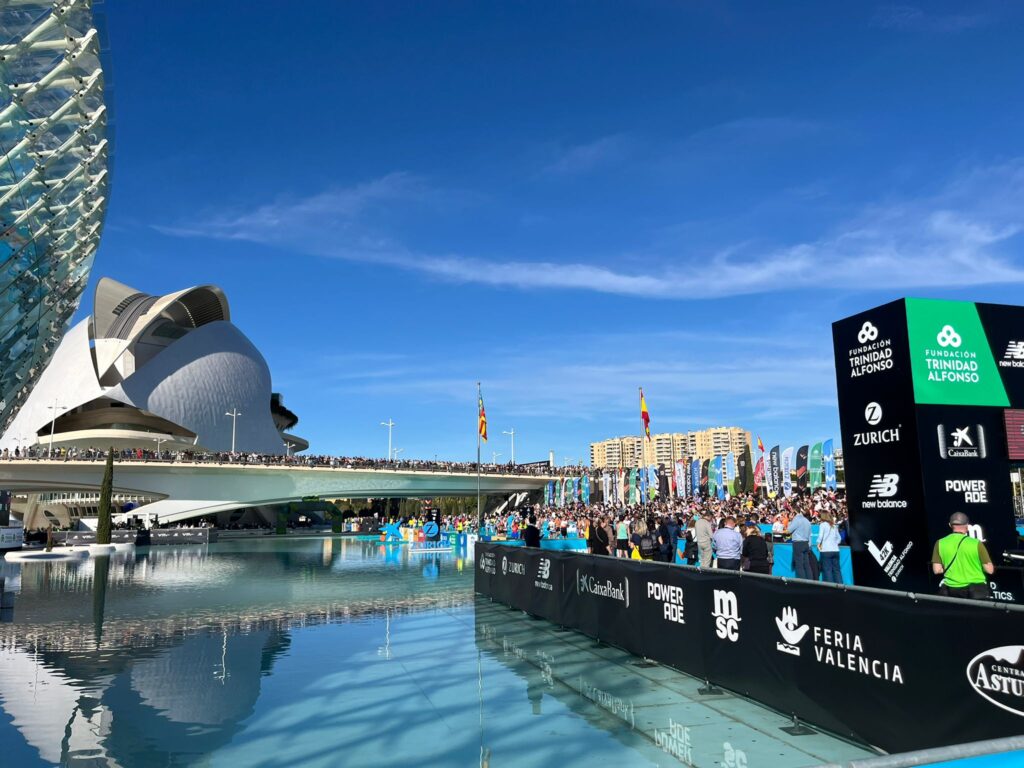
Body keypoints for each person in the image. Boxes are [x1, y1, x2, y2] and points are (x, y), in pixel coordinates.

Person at [931, 512, 994, 599]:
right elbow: (989, 570)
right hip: (976, 590)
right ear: (967, 526)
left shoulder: (940, 543)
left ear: (950, 525)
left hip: (952, 590)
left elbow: (936, 570)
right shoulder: (976, 543)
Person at [787, 509, 813, 580]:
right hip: (806, 543)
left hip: (798, 543)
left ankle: (802, 582)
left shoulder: (796, 520)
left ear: (794, 513)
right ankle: (810, 582)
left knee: (799, 565)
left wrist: (790, 521)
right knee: (806, 565)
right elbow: (810, 535)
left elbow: (788, 530)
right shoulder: (807, 521)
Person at [817, 510, 842, 583]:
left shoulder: (823, 525)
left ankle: (830, 589)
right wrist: (834, 543)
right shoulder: (834, 525)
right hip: (836, 550)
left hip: (826, 551)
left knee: (827, 571)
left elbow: (820, 537)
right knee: (837, 570)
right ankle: (841, 588)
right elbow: (839, 539)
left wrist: (818, 544)